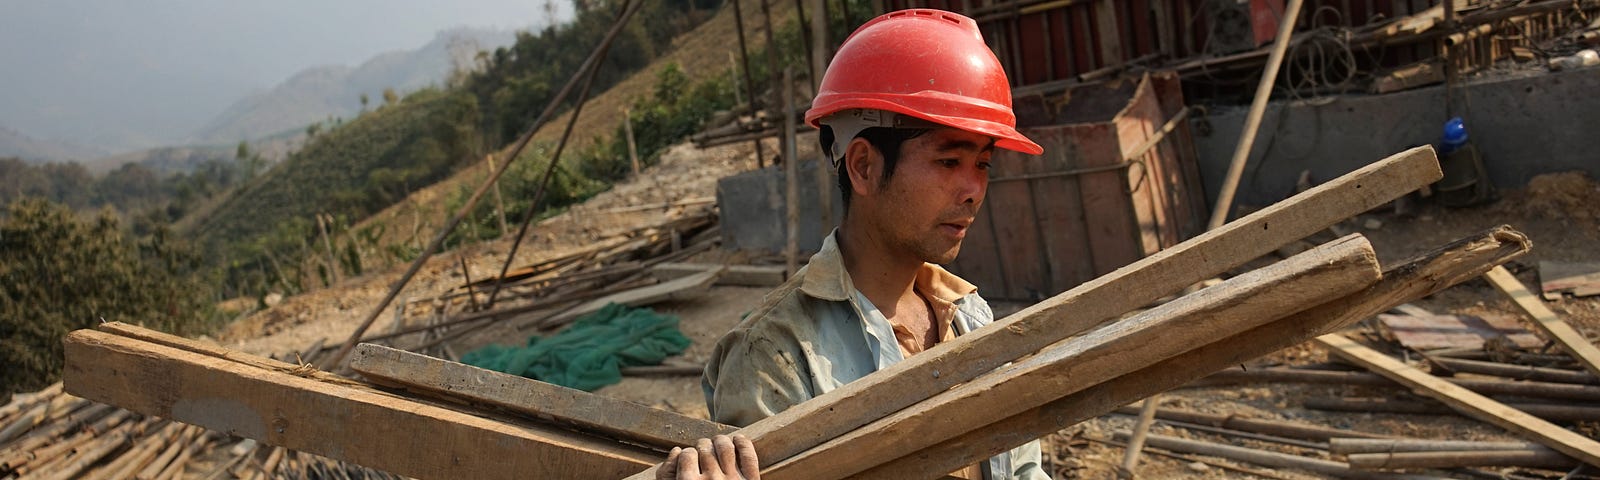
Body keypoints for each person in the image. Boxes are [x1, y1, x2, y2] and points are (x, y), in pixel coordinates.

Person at [661, 8, 1049, 480]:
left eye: (983, 165)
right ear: (863, 167)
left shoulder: (972, 317)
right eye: (949, 161)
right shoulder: (774, 355)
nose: (972, 189)